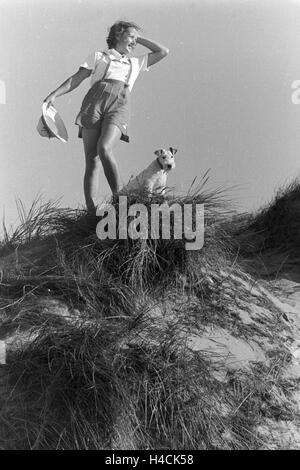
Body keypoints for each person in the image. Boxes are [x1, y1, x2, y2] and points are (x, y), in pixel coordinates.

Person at [44, 21, 169, 215]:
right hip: (93, 104)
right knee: (92, 160)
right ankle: (92, 212)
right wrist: (54, 94)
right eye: (130, 37)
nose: (134, 42)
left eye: (136, 39)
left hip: (119, 105)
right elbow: (76, 78)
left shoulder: (135, 62)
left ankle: (121, 200)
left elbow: (163, 51)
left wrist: (138, 37)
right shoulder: (99, 56)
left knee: (104, 148)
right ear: (117, 35)